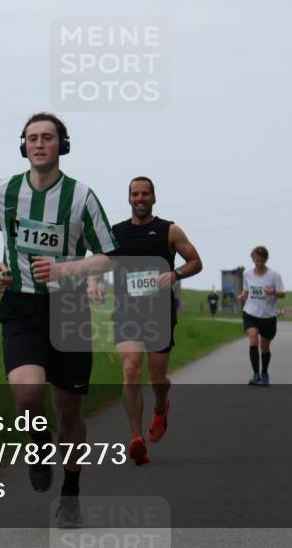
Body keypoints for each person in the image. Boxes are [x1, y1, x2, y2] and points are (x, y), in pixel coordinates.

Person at [0, 112, 117, 522]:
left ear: (61, 145)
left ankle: (70, 492)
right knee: (28, 394)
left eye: (47, 138)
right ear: (24, 145)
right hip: (21, 305)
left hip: (69, 309)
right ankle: (38, 445)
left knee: (69, 411)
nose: (39, 144)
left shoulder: (81, 196)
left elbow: (111, 253)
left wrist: (67, 270)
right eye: (32, 138)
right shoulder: (3, 190)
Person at [88, 177, 202, 465]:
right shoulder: (116, 233)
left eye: (145, 194)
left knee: (157, 378)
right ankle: (136, 438)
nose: (140, 198)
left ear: (154, 198)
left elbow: (196, 261)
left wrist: (175, 274)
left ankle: (161, 406)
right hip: (127, 311)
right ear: (128, 199)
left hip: (159, 313)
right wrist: (94, 283)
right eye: (135, 194)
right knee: (130, 370)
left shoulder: (169, 230)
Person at [237, 246, 285, 386]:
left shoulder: (274, 275)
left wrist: (272, 292)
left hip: (268, 315)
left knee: (264, 348)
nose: (258, 263)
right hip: (251, 312)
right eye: (256, 260)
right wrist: (242, 296)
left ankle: (264, 373)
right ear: (252, 259)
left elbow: (283, 293)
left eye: (261, 261)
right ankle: (256, 374)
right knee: (253, 339)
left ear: (266, 260)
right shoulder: (247, 274)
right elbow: (246, 291)